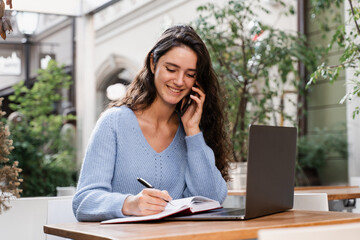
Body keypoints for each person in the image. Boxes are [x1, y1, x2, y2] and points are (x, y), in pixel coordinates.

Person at [72, 25, 233, 221]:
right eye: (171, 69)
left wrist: (193, 132)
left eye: (190, 74)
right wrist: (130, 204)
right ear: (153, 63)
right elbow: (83, 202)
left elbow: (213, 199)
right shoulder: (114, 122)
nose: (180, 81)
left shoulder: (190, 132)